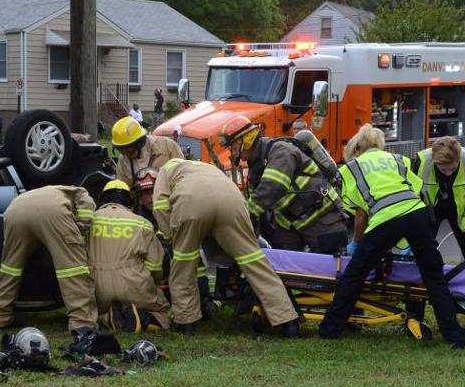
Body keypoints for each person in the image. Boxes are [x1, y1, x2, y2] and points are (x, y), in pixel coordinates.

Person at [318, 124, 465, 347]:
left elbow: (361, 212)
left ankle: (330, 329)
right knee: (434, 278)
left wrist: (357, 243)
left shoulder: (350, 168)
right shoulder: (398, 159)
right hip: (417, 214)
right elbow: (414, 190)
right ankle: (455, 336)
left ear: (356, 149)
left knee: (354, 275)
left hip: (386, 219)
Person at [151, 158, 300, 336]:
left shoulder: (165, 170)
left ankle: (186, 323)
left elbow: (159, 206)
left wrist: (171, 235)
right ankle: (288, 321)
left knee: (183, 266)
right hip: (232, 200)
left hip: (191, 203)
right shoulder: (207, 167)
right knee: (254, 262)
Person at [220, 115, 348, 254]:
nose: (231, 152)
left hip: (323, 220)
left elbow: (272, 187)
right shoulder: (256, 167)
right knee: (285, 268)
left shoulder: (281, 151)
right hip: (290, 225)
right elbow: (259, 211)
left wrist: (241, 216)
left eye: (233, 146)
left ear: (246, 140)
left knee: (328, 271)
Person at [0, 185, 98, 332]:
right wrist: (77, 233)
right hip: (52, 212)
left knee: (10, 269)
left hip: (14, 211)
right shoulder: (80, 192)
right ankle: (82, 323)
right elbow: (86, 212)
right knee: (73, 270)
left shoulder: (48, 191)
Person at [90, 180, 171, 332]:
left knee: (91, 314)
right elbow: (156, 265)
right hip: (134, 288)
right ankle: (142, 317)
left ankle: (107, 318)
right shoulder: (143, 224)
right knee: (163, 313)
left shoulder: (89, 222)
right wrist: (155, 283)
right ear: (130, 201)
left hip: (97, 291)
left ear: (102, 199)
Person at [413, 136, 465, 260]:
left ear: (459, 159)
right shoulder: (423, 163)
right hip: (430, 210)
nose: (448, 173)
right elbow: (412, 196)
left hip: (461, 212)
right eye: (443, 169)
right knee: (423, 254)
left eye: (453, 168)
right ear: (434, 161)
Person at [111, 117, 182, 188]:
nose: (128, 155)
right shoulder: (123, 161)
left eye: (130, 150)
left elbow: (183, 175)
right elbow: (123, 189)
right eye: (122, 151)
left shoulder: (167, 146)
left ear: (140, 142)